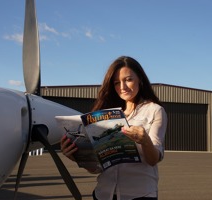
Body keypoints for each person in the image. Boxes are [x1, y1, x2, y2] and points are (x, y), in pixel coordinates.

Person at [61, 56, 167, 200]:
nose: (122, 87)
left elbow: (154, 159)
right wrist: (78, 157)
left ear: (140, 79)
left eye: (128, 79)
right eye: (117, 82)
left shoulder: (155, 110)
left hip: (139, 194)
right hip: (103, 193)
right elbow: (97, 168)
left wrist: (145, 140)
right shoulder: (106, 114)